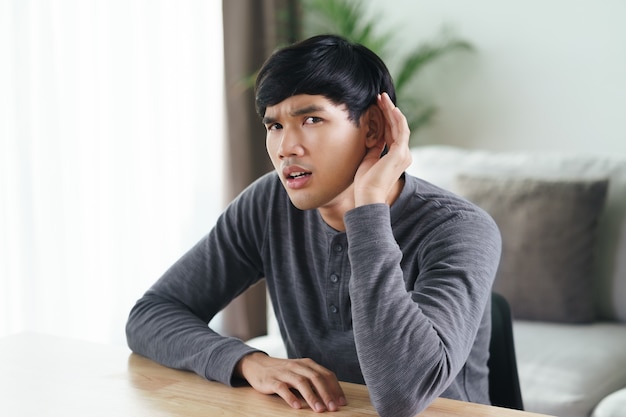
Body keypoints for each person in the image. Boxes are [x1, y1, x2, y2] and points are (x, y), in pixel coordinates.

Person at [126, 34, 501, 417]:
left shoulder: (460, 229)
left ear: (373, 129)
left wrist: (368, 206)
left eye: (311, 119)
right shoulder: (267, 204)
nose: (286, 147)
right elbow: (152, 314)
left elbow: (402, 397)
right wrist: (249, 361)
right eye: (274, 126)